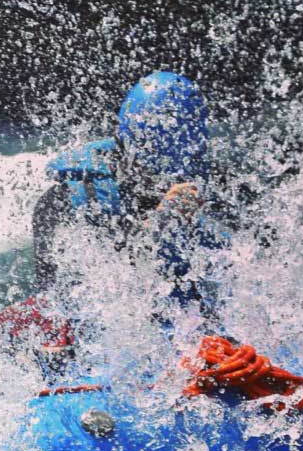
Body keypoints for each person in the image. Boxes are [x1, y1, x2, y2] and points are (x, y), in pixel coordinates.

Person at [31, 71, 228, 317]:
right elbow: (117, 278)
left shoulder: (203, 175)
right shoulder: (74, 198)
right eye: (157, 167)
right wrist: (163, 219)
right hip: (105, 314)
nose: (171, 180)